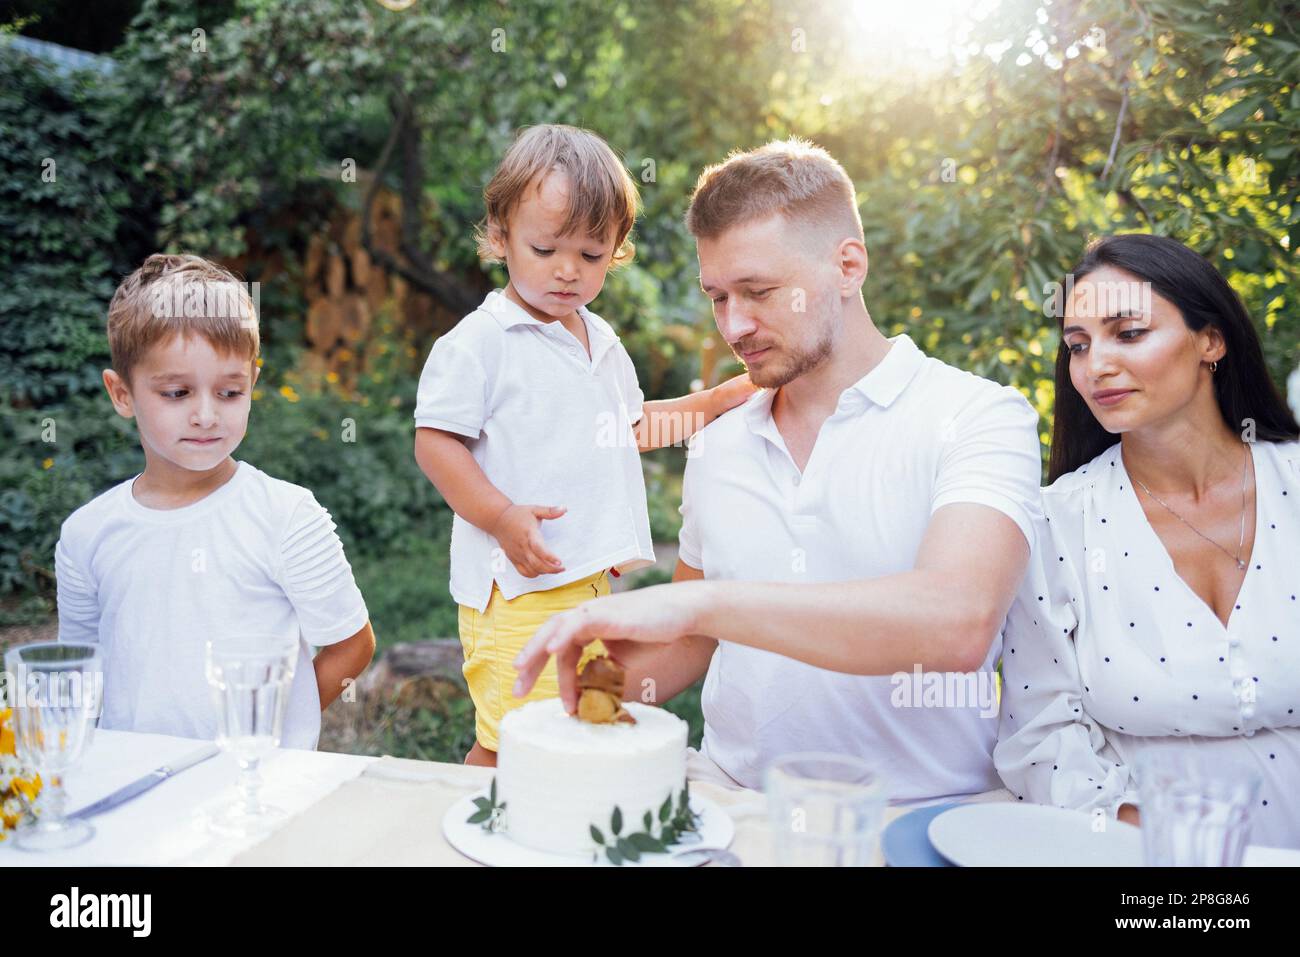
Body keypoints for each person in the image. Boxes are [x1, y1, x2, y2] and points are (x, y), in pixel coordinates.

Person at [513, 138, 1043, 802]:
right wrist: (586, 683)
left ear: (847, 266)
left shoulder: (978, 416)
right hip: (730, 801)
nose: (734, 325)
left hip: (920, 817)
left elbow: (957, 621)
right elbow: (697, 637)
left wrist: (703, 601)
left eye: (759, 292)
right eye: (718, 297)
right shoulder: (722, 442)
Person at [413, 125, 753, 767]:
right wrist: (501, 516)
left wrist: (707, 406)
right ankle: (474, 824)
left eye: (591, 255)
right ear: (500, 236)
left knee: (567, 727)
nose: (567, 270)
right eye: (545, 248)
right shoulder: (482, 342)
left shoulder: (600, 341)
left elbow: (631, 430)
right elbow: (436, 443)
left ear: (616, 251)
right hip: (519, 586)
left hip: (588, 583)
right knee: (516, 739)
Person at [994, 234, 1300, 848]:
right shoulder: (1057, 524)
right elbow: (1040, 733)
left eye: (1128, 333)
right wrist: (1143, 835)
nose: (1096, 364)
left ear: (1210, 340)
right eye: (1078, 346)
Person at [55, 253, 376, 750]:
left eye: (229, 392)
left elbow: (352, 644)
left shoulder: (286, 516)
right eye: (178, 392)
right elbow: (79, 667)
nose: (206, 415)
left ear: (253, 384)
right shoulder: (86, 533)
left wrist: (273, 727)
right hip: (133, 790)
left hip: (257, 791)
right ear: (121, 394)